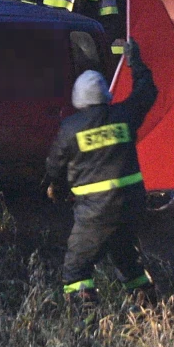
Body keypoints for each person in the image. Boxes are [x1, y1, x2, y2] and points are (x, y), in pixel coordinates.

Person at [46, 39, 158, 305]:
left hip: (95, 212)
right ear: (105, 95)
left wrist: (56, 189)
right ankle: (149, 307)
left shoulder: (71, 127)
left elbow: (55, 165)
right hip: (132, 205)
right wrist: (135, 62)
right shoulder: (124, 115)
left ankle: (85, 322)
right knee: (126, 258)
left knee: (76, 269)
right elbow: (147, 91)